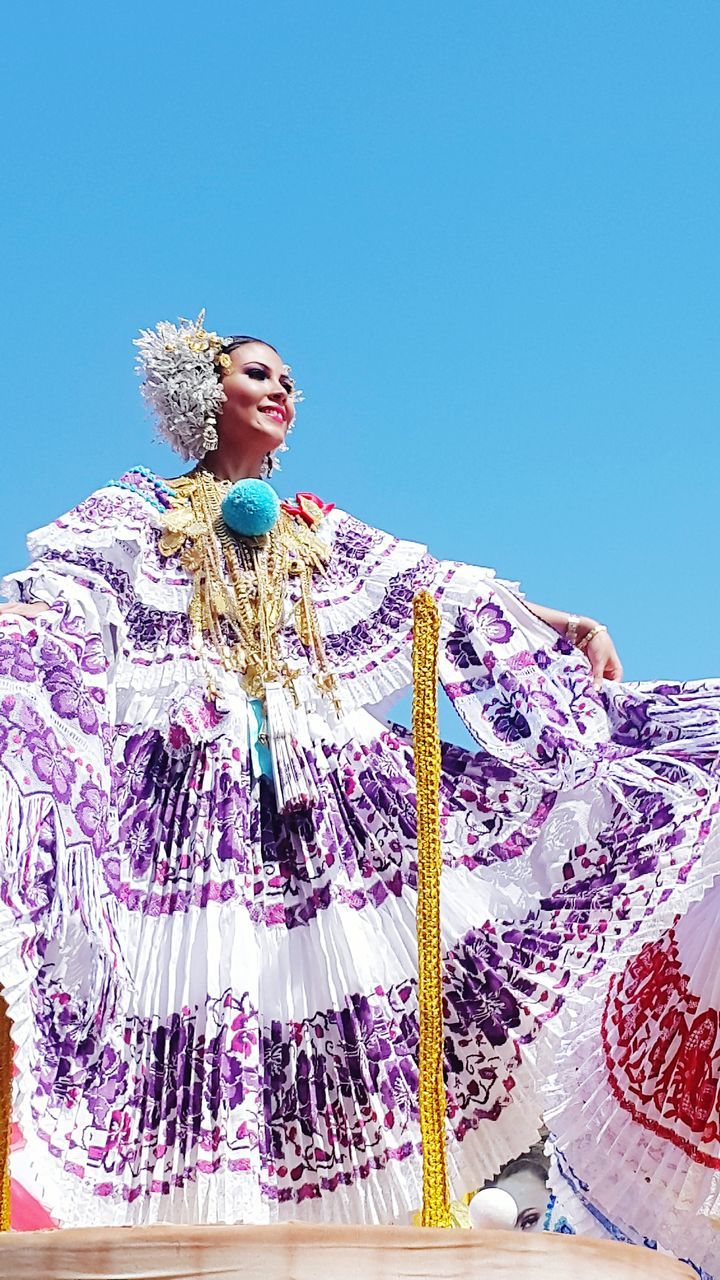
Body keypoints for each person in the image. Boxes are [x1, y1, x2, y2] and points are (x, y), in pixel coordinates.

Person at [1, 309, 719, 1232]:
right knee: (214, 989)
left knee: (372, 981)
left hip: (328, 784)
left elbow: (442, 589)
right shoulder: (139, 511)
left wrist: (560, 622)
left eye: (290, 381)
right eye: (259, 374)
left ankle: (424, 1203)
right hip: (196, 791)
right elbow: (60, 596)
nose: (281, 392)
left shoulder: (312, 526)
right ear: (203, 394)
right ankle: (221, 1215)